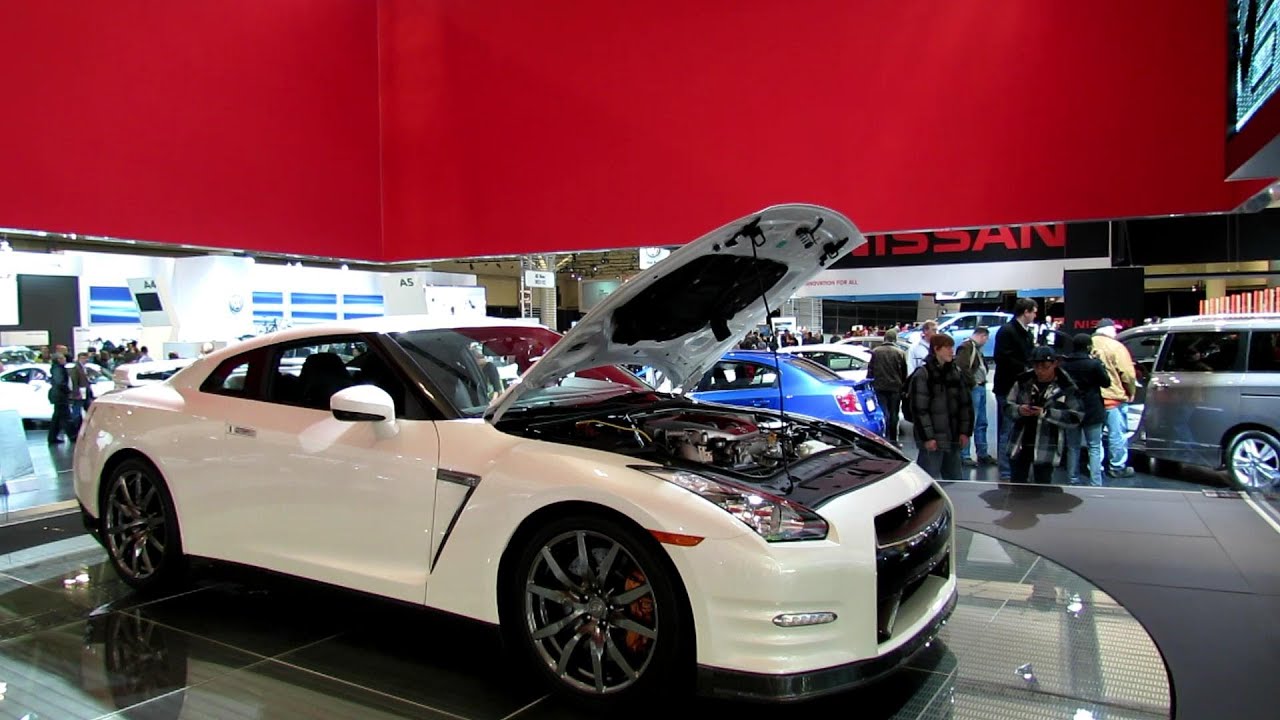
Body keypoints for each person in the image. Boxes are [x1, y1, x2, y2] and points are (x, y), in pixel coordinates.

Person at [1006, 346, 1083, 484]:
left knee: (1043, 487)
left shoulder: (1066, 386)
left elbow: (1076, 416)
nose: (1040, 371)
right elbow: (1007, 406)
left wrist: (1046, 414)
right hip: (1020, 442)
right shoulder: (1023, 381)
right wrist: (1019, 410)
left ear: (1054, 364)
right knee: (1017, 485)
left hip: (1047, 445)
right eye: (1036, 367)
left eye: (1045, 367)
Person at [909, 334, 972, 480]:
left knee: (956, 482)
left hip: (953, 437)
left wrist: (964, 432)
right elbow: (920, 410)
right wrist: (928, 437)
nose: (952, 351)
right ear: (937, 350)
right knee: (927, 482)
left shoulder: (955, 373)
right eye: (948, 347)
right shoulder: (923, 374)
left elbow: (965, 404)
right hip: (934, 440)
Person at [992, 298, 1038, 480]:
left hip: (1022, 389)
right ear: (1025, 312)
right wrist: (1025, 369)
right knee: (1007, 429)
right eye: (1033, 311)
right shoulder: (1008, 331)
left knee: (1017, 429)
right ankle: (1005, 469)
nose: (1035, 315)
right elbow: (1002, 358)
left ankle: (1016, 465)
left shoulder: (1026, 333)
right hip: (1008, 387)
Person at [1060, 334, 1111, 486]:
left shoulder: (1064, 365)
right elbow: (1106, 383)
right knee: (1094, 447)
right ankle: (1096, 481)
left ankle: (1072, 479)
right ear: (1089, 346)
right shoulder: (1094, 364)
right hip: (1092, 408)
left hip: (1072, 408)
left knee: (1073, 447)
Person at [1092, 319, 1137, 478]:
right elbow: (1128, 374)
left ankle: (1095, 469)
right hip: (1113, 399)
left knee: (1094, 439)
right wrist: (1131, 392)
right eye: (1114, 329)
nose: (1116, 333)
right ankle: (1117, 467)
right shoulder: (1116, 347)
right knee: (1116, 435)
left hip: (1093, 400)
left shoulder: (1088, 345)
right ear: (1108, 330)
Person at [956, 326, 995, 467]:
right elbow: (962, 367)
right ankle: (965, 454)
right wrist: (972, 383)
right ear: (983, 336)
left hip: (980, 387)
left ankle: (982, 453)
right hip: (974, 388)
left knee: (981, 422)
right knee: (970, 422)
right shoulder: (967, 347)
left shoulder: (975, 348)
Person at [867, 328, 909, 446]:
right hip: (895, 388)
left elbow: (871, 370)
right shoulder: (900, 353)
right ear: (895, 339)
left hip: (879, 387)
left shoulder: (876, 351)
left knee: (883, 413)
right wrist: (904, 387)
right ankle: (893, 441)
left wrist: (870, 383)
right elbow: (904, 373)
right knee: (894, 414)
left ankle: (882, 440)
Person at [46, 353, 78, 444]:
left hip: (58, 395)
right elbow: (60, 382)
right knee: (66, 416)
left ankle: (52, 437)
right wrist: (67, 390)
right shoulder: (58, 369)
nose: (65, 359)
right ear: (59, 359)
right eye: (63, 358)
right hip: (60, 396)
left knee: (57, 417)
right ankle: (73, 435)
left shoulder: (57, 368)